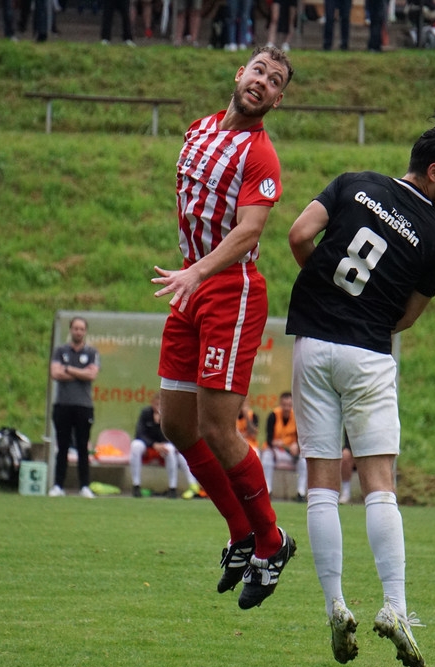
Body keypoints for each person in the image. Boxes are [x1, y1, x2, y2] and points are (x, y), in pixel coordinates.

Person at [286, 114, 435, 667]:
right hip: (367, 353)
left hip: (311, 345)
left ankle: (335, 605)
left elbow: (298, 235)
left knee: (321, 484)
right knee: (379, 484)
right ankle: (395, 606)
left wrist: (325, 290)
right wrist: (366, 316)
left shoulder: (353, 183)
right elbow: (408, 317)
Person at [151, 46, 296, 611]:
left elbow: (249, 230)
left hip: (229, 289)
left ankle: (272, 540)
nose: (263, 81)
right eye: (259, 70)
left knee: (216, 426)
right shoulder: (198, 130)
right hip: (192, 284)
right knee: (176, 423)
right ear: (240, 74)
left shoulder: (261, 156)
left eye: (275, 80)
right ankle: (241, 532)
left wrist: (198, 271)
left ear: (277, 100)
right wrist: (191, 273)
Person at [49, 316, 101, 498]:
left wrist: (69, 369)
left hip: (83, 406)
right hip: (63, 404)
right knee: (62, 446)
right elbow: (55, 373)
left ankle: (84, 486)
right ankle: (58, 486)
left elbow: (91, 375)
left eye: (81, 329)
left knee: (82, 446)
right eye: (75, 328)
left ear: (85, 332)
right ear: (70, 330)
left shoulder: (92, 353)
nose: (78, 332)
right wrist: (81, 373)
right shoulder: (60, 351)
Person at [129, 393, 199, 498]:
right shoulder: (146, 413)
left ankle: (172, 487)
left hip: (163, 445)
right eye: (156, 404)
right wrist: (153, 444)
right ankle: (136, 485)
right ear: (152, 404)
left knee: (169, 449)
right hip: (148, 445)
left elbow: (170, 436)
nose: (158, 407)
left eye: (161, 405)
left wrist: (160, 424)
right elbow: (140, 434)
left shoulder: (169, 416)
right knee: (135, 446)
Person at [261, 391, 308, 501]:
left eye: (289, 405)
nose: (287, 408)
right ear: (280, 404)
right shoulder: (273, 415)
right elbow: (269, 439)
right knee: (266, 456)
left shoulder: (297, 417)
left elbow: (302, 439)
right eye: (284, 405)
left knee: (303, 461)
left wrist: (297, 446)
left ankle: (301, 493)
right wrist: (275, 443)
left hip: (291, 452)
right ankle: (267, 490)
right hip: (276, 451)